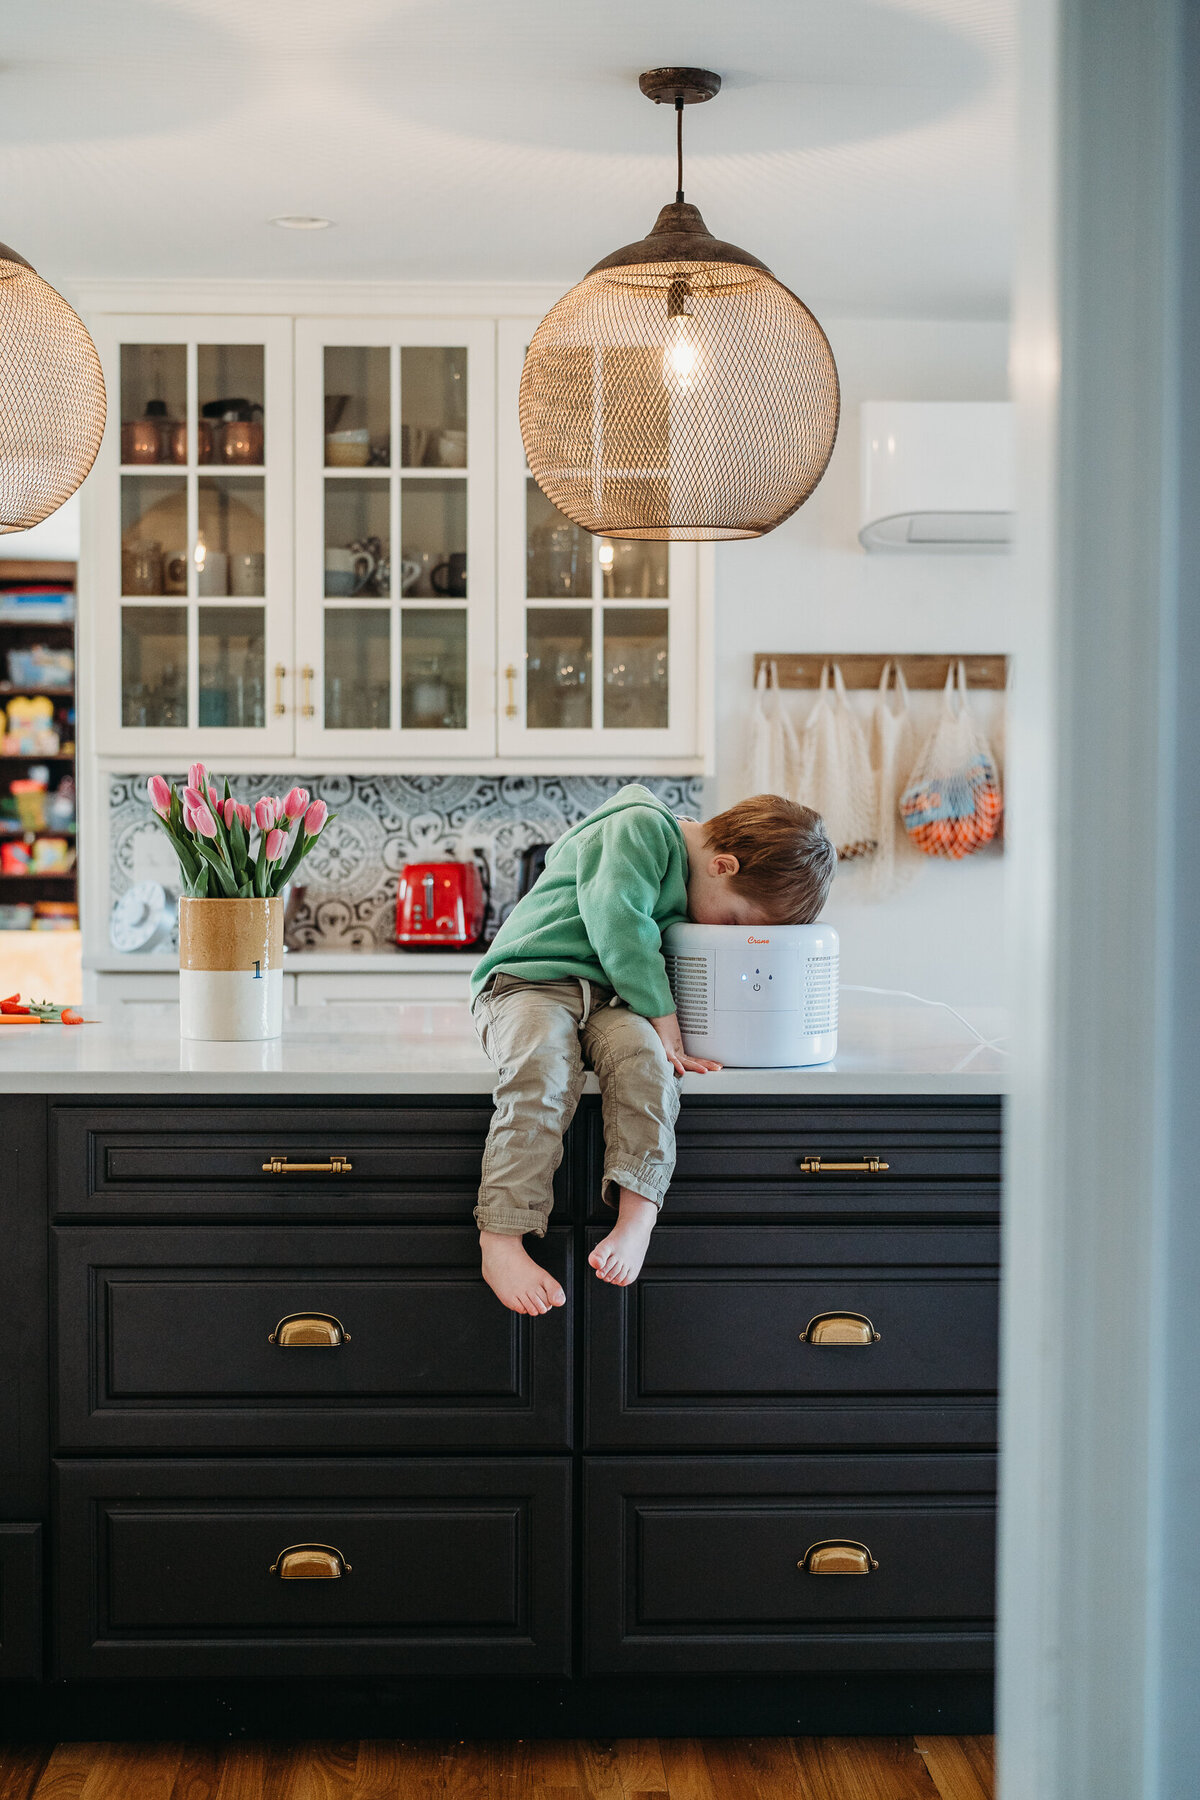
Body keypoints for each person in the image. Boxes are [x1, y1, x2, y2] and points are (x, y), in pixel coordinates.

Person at [470, 786, 837, 1314]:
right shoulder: (638, 827)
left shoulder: (692, 876)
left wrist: (667, 1036)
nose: (720, 930)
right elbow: (621, 928)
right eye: (734, 921)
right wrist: (666, 1021)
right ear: (723, 865)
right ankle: (501, 1238)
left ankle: (638, 1216)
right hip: (529, 984)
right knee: (543, 1069)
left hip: (608, 997)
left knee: (649, 1063)